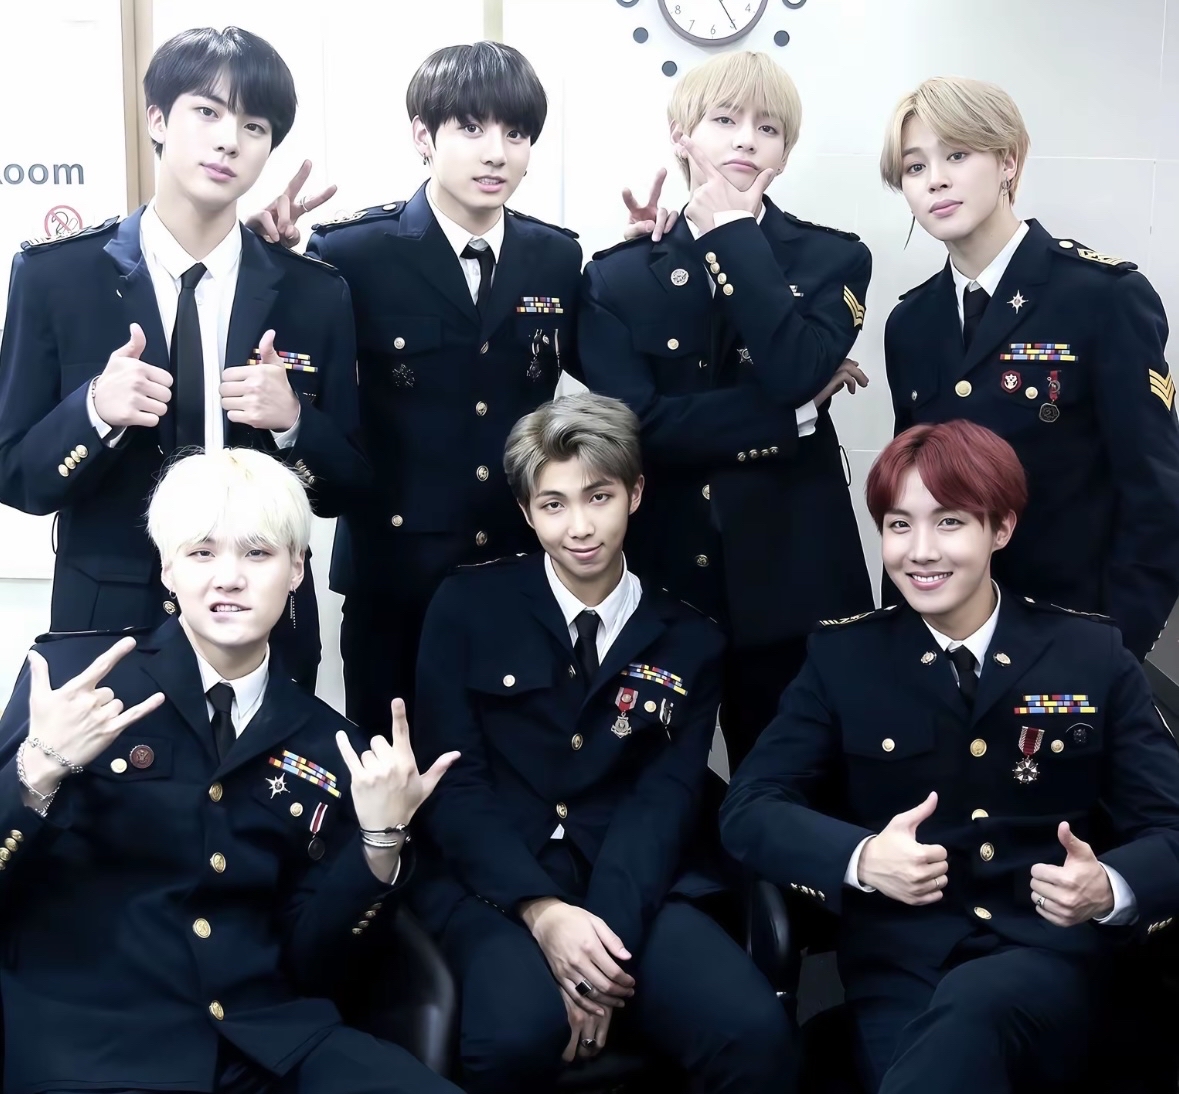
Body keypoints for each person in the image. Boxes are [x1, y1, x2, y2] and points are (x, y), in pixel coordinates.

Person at [721, 418, 1179, 1094]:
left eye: (949, 522)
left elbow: (1171, 825)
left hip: (1046, 957)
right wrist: (861, 857)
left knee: (974, 1009)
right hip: (900, 970)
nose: (920, 551)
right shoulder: (844, 658)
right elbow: (749, 808)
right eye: (898, 525)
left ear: (1001, 529)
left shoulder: (1089, 654)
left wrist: (1110, 885)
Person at [0, 447, 459, 1094]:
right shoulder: (77, 684)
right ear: (167, 568)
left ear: (296, 569)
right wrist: (37, 772)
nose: (228, 578)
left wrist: (380, 843)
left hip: (267, 1041)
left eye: (257, 553)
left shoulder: (333, 745)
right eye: (201, 552)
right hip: (98, 1045)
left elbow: (318, 963)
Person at [410, 393, 794, 1093]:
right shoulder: (465, 608)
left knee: (753, 1034)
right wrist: (541, 911)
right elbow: (455, 787)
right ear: (526, 511)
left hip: (630, 882)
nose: (580, 528)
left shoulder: (690, 637)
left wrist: (598, 958)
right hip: (495, 885)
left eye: (599, 497)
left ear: (635, 494)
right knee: (514, 1036)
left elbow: (664, 801)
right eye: (553, 505)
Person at [0, 26, 368, 691]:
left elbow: (345, 489)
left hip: (266, 633)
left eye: (254, 126)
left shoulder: (314, 293)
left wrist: (294, 423)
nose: (229, 140)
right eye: (207, 112)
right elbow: (16, 476)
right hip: (108, 631)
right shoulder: (55, 278)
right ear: (158, 120)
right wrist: (93, 412)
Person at [579, 51, 873, 771]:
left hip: (795, 578)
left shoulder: (833, 259)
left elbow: (793, 368)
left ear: (785, 151)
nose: (747, 139)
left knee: (788, 788)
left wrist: (731, 237)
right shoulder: (616, 275)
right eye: (724, 120)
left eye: (768, 128)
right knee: (646, 785)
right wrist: (789, 419)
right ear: (680, 135)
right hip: (663, 574)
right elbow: (635, 428)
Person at [291, 41, 582, 731]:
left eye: (516, 134)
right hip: (394, 578)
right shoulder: (350, 253)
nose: (496, 153)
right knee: (391, 762)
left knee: (514, 764)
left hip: (516, 567)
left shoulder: (556, 256)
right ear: (423, 136)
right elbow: (314, 407)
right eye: (471, 128)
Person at [881, 76, 1179, 661]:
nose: (935, 179)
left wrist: (1115, 652)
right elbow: (910, 497)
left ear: (1008, 162)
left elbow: (1156, 497)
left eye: (957, 155)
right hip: (941, 645)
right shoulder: (909, 323)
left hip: (1068, 638)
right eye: (915, 167)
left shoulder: (1103, 296)